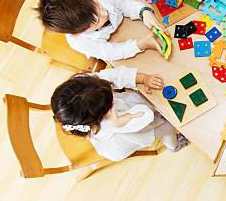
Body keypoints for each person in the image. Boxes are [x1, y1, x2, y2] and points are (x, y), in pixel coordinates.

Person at [51, 66, 189, 161]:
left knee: (148, 107)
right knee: (166, 127)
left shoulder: (88, 86)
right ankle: (175, 145)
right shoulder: (114, 126)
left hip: (127, 115)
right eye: (110, 102)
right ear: (103, 114)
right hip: (134, 133)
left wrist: (142, 79)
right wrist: (121, 121)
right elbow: (146, 116)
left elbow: (111, 76)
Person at [35, 0, 162, 62]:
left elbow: (124, 3)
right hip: (121, 40)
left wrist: (143, 12)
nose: (104, 14)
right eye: (96, 21)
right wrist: (140, 45)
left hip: (128, 27)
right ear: (79, 32)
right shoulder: (79, 41)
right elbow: (111, 52)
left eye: (98, 6)